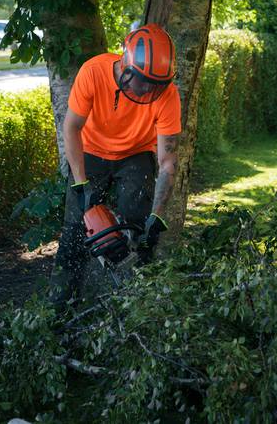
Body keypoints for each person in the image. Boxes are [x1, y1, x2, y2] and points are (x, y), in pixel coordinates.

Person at [49, 23, 181, 307]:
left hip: (136, 153)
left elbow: (168, 160)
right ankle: (59, 309)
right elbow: (71, 128)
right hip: (92, 151)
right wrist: (80, 184)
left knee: (140, 225)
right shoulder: (93, 72)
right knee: (76, 229)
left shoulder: (167, 94)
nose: (147, 90)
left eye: (155, 86)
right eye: (142, 82)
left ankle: (140, 303)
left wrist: (157, 214)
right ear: (126, 65)